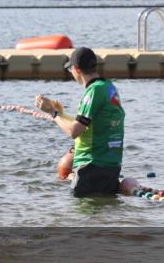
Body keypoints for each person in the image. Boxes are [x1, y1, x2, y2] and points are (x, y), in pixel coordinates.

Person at [36, 47, 125, 198]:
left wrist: (53, 113)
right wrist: (62, 114)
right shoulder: (109, 87)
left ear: (76, 69)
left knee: (82, 216)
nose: (70, 73)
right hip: (111, 167)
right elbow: (91, 125)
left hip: (90, 167)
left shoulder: (93, 92)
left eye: (70, 69)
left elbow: (74, 131)